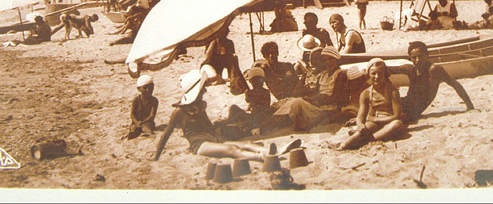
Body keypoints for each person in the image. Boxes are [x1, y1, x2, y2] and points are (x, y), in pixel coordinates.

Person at [154, 69, 298, 161]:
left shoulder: (200, 106)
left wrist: (226, 123)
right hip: (200, 145)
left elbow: (208, 127)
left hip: (212, 139)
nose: (205, 90)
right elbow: (166, 134)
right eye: (203, 88)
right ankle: (262, 157)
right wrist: (156, 157)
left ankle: (275, 151)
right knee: (232, 149)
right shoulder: (179, 112)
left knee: (247, 143)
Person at [273, 46, 349, 131]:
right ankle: (271, 122)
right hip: (318, 107)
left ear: (337, 59)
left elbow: (336, 98)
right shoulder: (323, 75)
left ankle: (269, 124)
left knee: (297, 103)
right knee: (295, 103)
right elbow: (315, 93)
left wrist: (317, 99)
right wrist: (311, 99)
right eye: (325, 60)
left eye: (331, 59)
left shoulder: (340, 74)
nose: (328, 62)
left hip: (328, 110)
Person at [339, 59, 406, 150]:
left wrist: (375, 119)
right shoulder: (366, 93)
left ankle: (369, 140)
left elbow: (397, 116)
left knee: (397, 124)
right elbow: (361, 116)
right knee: (362, 131)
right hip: (374, 122)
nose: (377, 76)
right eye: (373, 73)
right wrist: (360, 124)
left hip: (389, 120)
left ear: (385, 74)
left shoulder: (392, 91)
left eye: (380, 73)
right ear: (368, 75)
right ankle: (344, 145)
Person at [399, 41, 474, 123]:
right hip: (405, 103)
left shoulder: (434, 70)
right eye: (414, 57)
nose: (417, 60)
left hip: (413, 111)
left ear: (427, 55)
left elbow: (455, 84)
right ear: (410, 58)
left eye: (420, 56)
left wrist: (470, 106)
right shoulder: (413, 69)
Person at [127, 75, 159, 139]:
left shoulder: (154, 101)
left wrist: (142, 122)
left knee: (146, 127)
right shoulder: (136, 100)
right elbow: (132, 114)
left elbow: (151, 116)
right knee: (133, 127)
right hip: (136, 122)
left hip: (148, 122)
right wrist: (136, 122)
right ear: (139, 89)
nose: (148, 90)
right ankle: (134, 133)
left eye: (150, 87)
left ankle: (147, 133)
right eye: (145, 88)